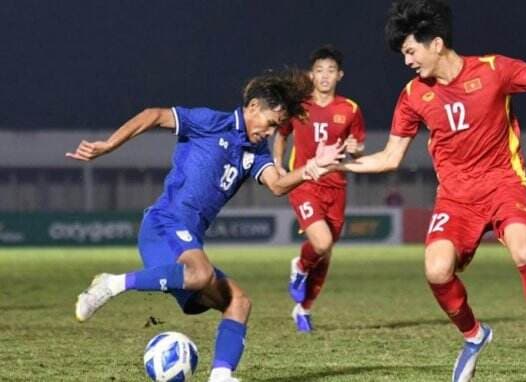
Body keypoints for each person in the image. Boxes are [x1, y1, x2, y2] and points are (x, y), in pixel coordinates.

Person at [337, 0, 526, 380]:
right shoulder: (413, 95)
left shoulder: (494, 70)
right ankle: (475, 336)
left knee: (524, 250)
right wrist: (337, 165)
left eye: (411, 51)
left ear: (436, 43)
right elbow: (390, 158)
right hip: (456, 197)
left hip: (502, 183)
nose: (407, 60)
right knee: (437, 270)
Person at [66, 69, 344, 382]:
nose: (270, 133)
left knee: (239, 302)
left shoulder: (255, 152)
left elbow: (278, 185)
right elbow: (154, 115)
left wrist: (312, 168)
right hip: (164, 225)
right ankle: (110, 284)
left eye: (277, 128)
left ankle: (221, 376)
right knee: (201, 273)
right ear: (253, 107)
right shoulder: (212, 122)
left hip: (187, 244)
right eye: (270, 124)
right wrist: (108, 145)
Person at [272, 45, 366, 332]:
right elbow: (280, 133)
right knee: (321, 243)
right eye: (319, 71)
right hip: (306, 183)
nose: (325, 76)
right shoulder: (299, 105)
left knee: (325, 252)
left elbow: (359, 148)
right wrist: (278, 164)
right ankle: (299, 267)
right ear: (311, 75)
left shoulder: (350, 109)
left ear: (340, 75)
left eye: (330, 71)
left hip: (336, 187)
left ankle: (303, 309)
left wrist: (355, 149)